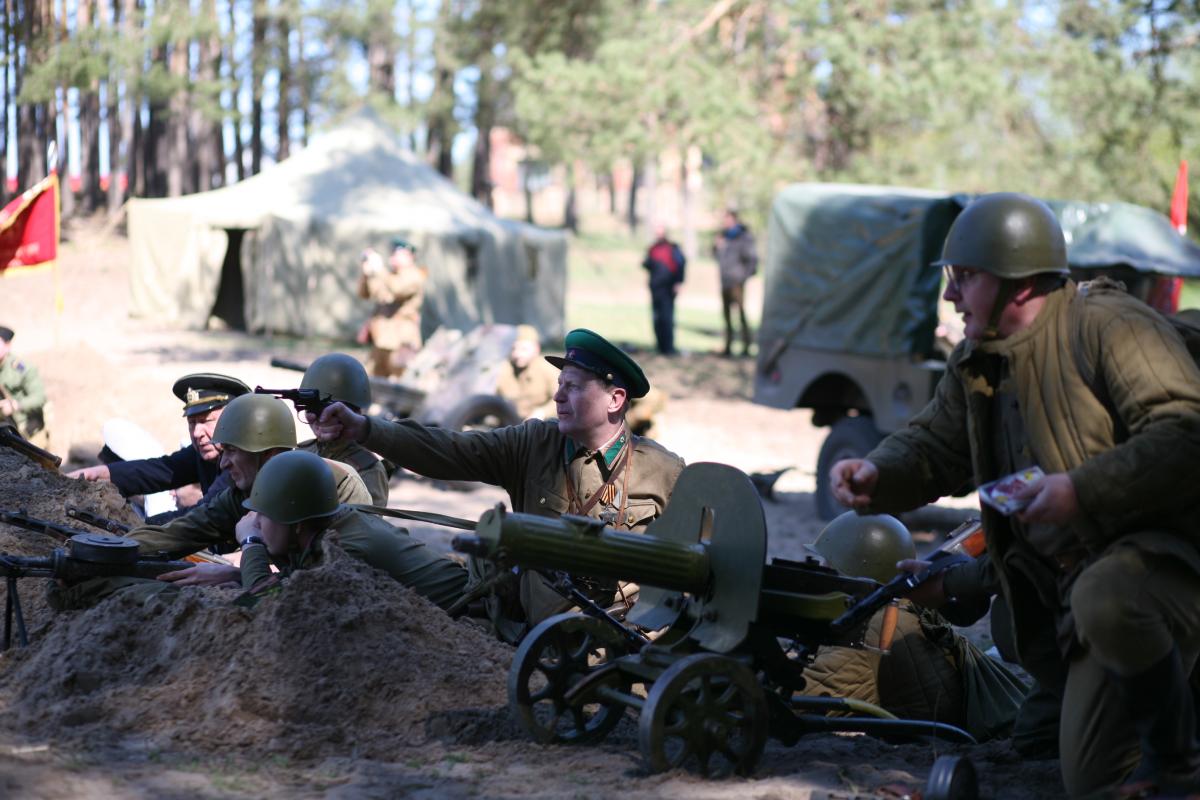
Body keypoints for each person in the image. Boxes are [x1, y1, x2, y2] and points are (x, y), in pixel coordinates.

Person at [828, 192, 1200, 798]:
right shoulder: (979, 359)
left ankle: (1180, 761)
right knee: (1071, 764)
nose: (951, 295)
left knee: (1109, 599)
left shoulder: (1110, 327)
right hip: (1067, 604)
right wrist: (876, 473)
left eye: (965, 277)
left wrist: (1080, 491)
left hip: (1166, 572)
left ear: (1020, 284)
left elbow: (1185, 433)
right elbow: (934, 446)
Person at [313, 327, 686, 643]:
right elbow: (450, 449)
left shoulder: (663, 470)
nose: (557, 396)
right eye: (559, 384)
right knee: (368, 536)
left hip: (617, 641)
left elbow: (700, 566)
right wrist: (366, 429)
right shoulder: (533, 444)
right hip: (527, 630)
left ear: (615, 399)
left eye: (572, 387)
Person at [49, 394, 375, 611]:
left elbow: (323, 588)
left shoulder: (332, 486)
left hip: (321, 613)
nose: (223, 463)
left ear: (269, 455)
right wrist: (95, 557)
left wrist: (238, 570)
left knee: (188, 599)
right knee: (112, 584)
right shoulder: (244, 492)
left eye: (232, 451)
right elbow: (177, 533)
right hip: (272, 589)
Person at [802, 512, 1025, 742]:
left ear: (855, 571)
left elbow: (800, 701)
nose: (821, 571)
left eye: (828, 564)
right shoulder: (905, 609)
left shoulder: (877, 628)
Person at [235, 450, 467, 611]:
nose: (256, 522)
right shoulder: (329, 528)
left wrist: (251, 543)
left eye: (264, 514)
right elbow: (297, 578)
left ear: (296, 523)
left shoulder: (344, 550)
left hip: (471, 617)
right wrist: (237, 575)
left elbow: (271, 606)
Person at [67, 373, 250, 521]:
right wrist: (97, 473)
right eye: (192, 423)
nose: (196, 432)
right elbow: (157, 470)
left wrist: (137, 525)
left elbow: (204, 514)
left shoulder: (244, 460)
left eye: (205, 421)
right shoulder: (202, 454)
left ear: (232, 419)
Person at [295, 353, 390, 505]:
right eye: (310, 408)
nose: (317, 418)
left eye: (327, 411)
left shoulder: (367, 469)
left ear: (352, 413)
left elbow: (365, 519)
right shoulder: (302, 452)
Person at [356, 237, 427, 379]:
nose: (392, 256)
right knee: (371, 381)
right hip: (382, 340)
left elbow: (397, 288)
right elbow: (365, 294)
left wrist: (379, 269)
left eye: (397, 253)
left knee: (402, 382)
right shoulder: (389, 276)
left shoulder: (415, 275)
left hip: (402, 342)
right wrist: (367, 274)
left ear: (409, 256)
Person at [712, 209, 758, 357]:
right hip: (725, 281)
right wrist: (716, 246)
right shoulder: (723, 237)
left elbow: (752, 259)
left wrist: (743, 277)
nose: (725, 222)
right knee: (727, 315)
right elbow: (717, 256)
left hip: (737, 282)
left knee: (741, 314)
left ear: (734, 220)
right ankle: (728, 346)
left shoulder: (743, 237)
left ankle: (746, 346)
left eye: (727, 219)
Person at [494, 325, 559, 420]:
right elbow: (490, 395)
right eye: (513, 349)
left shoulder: (547, 369)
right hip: (510, 421)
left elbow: (563, 399)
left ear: (536, 349)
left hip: (542, 423)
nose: (517, 354)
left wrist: (543, 412)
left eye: (523, 349)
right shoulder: (504, 368)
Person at [0, 325, 49, 448]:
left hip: (29, 431)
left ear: (7, 346)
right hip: (6, 431)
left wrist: (15, 405)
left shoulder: (21, 368)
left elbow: (39, 398)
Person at [642, 225, 686, 356]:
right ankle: (660, 346)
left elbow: (681, 264)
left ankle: (669, 347)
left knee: (667, 317)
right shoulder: (652, 248)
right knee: (657, 318)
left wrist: (679, 282)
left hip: (668, 288)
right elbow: (649, 264)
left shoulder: (673, 248)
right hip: (655, 288)